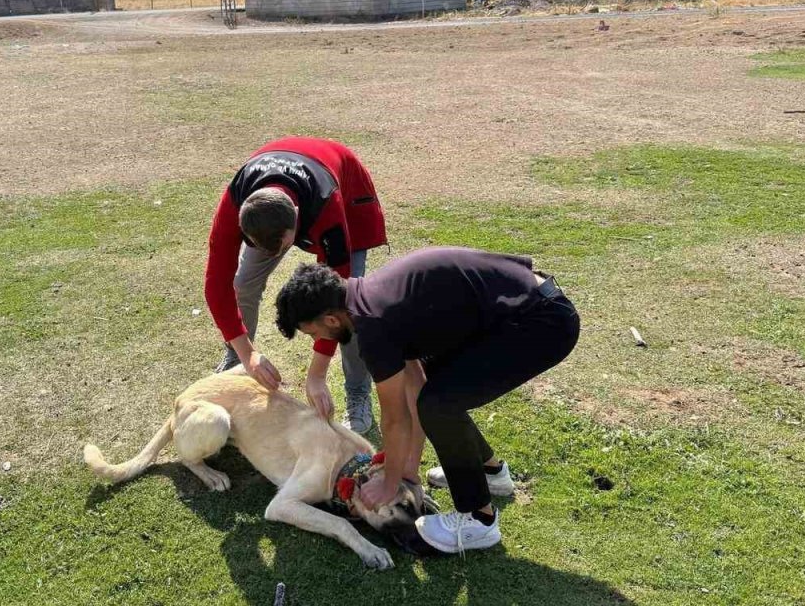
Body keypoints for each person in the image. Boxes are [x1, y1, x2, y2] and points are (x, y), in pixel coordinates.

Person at [273, 247, 580, 554]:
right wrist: (408, 470)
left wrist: (390, 483)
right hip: (530, 306)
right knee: (435, 393)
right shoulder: (371, 298)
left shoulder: (373, 325)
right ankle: (491, 472)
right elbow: (416, 386)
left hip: (541, 322)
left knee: (439, 403)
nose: (317, 341)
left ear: (331, 319)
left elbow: (395, 419)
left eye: (313, 333)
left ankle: (479, 519)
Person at [205, 137, 387, 433]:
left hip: (343, 189)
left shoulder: (326, 205)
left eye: (281, 247)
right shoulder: (236, 201)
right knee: (243, 283)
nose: (273, 255)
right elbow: (217, 285)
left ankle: (358, 392)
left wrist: (316, 374)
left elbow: (337, 301)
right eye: (258, 245)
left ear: (298, 218)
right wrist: (247, 354)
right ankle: (236, 359)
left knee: (351, 306)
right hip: (278, 201)